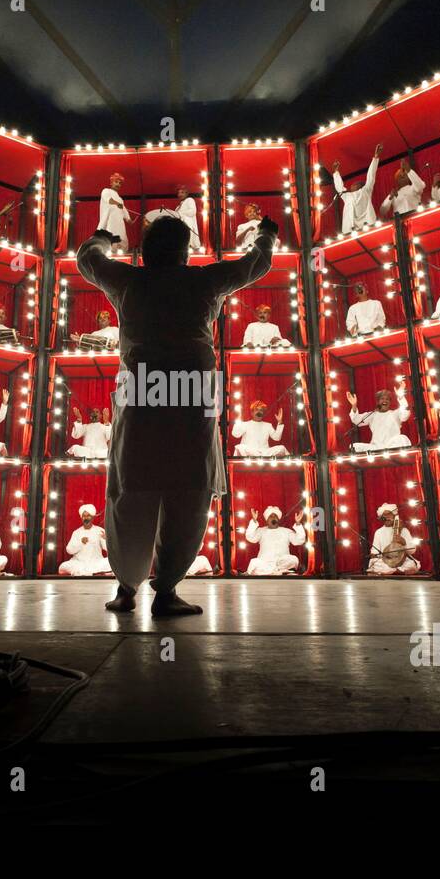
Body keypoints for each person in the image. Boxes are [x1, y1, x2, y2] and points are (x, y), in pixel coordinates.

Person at [76, 211, 279, 615]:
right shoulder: (202, 280)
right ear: (184, 251)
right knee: (189, 491)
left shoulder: (130, 281)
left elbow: (88, 261)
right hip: (190, 395)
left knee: (131, 489)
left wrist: (101, 239)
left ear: (147, 251)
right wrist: (265, 235)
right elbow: (256, 264)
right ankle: (166, 591)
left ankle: (126, 589)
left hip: (142, 394)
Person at [331, 144, 381, 232]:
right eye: (352, 184)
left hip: (368, 225)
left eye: (356, 183)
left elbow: (371, 175)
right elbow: (339, 187)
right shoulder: (347, 196)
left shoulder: (366, 190)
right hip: (351, 230)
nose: (353, 185)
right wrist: (335, 172)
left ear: (362, 185)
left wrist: (375, 157)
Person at [243, 506, 306, 575]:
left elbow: (299, 540)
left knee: (294, 559)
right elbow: (250, 537)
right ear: (267, 520)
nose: (273, 517)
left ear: (278, 519)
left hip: (282, 562)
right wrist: (254, 521)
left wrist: (298, 524)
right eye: (271, 516)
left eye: (275, 516)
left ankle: (274, 572)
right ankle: (280, 572)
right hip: (265, 563)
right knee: (254, 562)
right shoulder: (261, 531)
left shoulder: (286, 531)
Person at [347, 385, 411, 451]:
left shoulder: (395, 413)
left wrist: (401, 397)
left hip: (392, 446)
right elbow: (356, 420)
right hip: (376, 447)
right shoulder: (372, 415)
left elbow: (405, 415)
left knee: (402, 438)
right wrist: (354, 405)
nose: (385, 401)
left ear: (390, 402)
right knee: (354, 446)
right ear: (378, 402)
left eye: (387, 399)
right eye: (382, 399)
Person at [366, 502, 420, 575]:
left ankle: (392, 571)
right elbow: (374, 550)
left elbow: (412, 550)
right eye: (384, 515)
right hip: (385, 560)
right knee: (377, 563)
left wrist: (404, 543)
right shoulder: (378, 532)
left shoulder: (404, 530)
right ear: (381, 517)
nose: (386, 517)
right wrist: (374, 554)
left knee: (411, 564)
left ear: (394, 516)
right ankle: (398, 571)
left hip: (401, 560)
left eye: (389, 514)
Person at [58, 504, 113, 575]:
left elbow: (109, 550)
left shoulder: (100, 531)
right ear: (81, 518)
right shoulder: (76, 532)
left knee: (111, 562)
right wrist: (80, 543)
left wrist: (106, 540)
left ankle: (84, 573)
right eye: (84, 516)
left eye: (88, 516)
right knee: (63, 566)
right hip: (79, 563)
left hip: (96, 562)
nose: (86, 518)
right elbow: (69, 550)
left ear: (93, 517)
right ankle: (95, 572)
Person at [144, 186, 203, 251]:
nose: (180, 194)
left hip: (188, 225)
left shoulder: (190, 200)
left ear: (186, 193)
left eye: (182, 192)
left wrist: (179, 214)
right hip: (181, 227)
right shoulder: (177, 207)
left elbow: (192, 211)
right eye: (179, 193)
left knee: (188, 240)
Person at [97, 172, 131, 249]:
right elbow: (109, 200)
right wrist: (117, 203)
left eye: (120, 183)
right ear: (111, 183)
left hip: (120, 225)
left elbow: (124, 210)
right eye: (116, 182)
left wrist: (129, 219)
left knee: (122, 244)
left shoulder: (120, 199)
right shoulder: (106, 191)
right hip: (109, 223)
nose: (118, 184)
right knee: (109, 246)